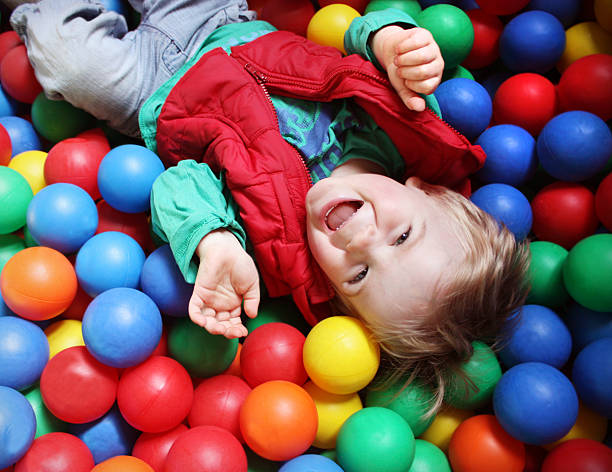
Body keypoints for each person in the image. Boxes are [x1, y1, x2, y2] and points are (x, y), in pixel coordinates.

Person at [9, 0, 529, 412]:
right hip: (222, 21)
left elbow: (179, 182)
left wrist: (214, 242)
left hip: (153, 91)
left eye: (361, 275)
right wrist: (393, 41)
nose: (361, 241)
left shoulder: (274, 250)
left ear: (336, 299)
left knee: (72, 66)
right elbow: (359, 36)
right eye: (402, 237)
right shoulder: (403, 124)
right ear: (426, 190)